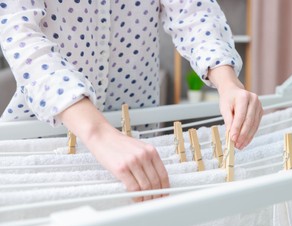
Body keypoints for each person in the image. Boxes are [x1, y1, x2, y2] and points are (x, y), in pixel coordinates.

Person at [0, 1, 262, 201]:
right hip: (39, 144)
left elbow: (193, 13)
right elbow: (21, 37)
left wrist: (228, 82)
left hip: (140, 138)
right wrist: (99, 134)